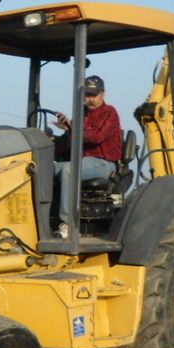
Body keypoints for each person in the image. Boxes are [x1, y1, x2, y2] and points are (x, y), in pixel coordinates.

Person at [53, 75, 121, 237]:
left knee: (69, 170)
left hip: (104, 164)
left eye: (93, 95)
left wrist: (70, 128)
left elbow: (96, 136)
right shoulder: (81, 115)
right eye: (87, 95)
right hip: (83, 162)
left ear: (103, 94)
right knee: (45, 167)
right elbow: (72, 142)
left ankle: (67, 224)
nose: (90, 99)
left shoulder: (109, 113)